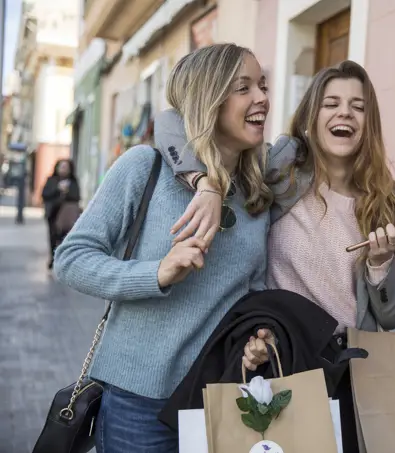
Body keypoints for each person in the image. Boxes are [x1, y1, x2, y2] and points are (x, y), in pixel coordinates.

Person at [156, 60, 395, 452]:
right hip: (277, 363)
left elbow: (394, 316)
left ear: (369, 123)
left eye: (358, 107)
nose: (344, 112)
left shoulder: (394, 202)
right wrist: (207, 185)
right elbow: (168, 122)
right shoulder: (279, 170)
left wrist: (381, 264)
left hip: (346, 375)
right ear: (311, 115)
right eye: (331, 103)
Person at [54, 43, 300, 453]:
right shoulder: (143, 167)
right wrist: (156, 274)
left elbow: (252, 290)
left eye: (262, 85)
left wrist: (261, 332)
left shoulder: (255, 191)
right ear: (209, 99)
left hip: (220, 396)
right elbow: (72, 258)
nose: (262, 98)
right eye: (244, 88)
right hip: (139, 401)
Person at [42, 159, 80, 269]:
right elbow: (45, 194)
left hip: (67, 216)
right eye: (62, 167)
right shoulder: (52, 180)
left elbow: (76, 197)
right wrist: (57, 189)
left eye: (66, 167)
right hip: (53, 213)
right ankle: (53, 257)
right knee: (52, 236)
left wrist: (67, 192)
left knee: (65, 237)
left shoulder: (73, 181)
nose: (63, 169)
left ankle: (63, 259)